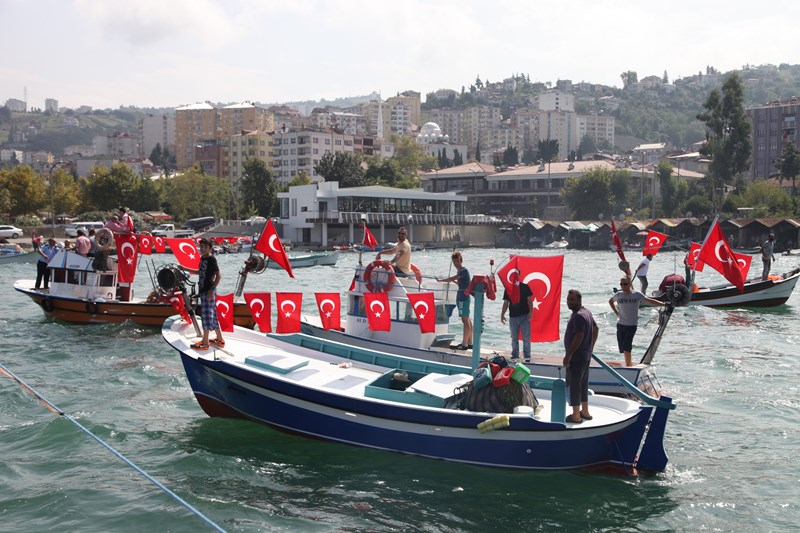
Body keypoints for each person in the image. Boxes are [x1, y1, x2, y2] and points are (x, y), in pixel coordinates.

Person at [608, 276, 667, 366]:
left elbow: (649, 301)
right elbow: (610, 301)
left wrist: (664, 304)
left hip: (631, 325)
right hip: (620, 325)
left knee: (627, 347)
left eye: (625, 284)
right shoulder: (618, 295)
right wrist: (616, 312)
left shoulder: (636, 295)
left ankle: (628, 366)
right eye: (621, 284)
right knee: (623, 348)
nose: (623, 286)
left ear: (630, 284)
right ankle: (628, 363)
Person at [563, 289, 599, 424]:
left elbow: (579, 335)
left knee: (575, 385)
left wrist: (569, 354)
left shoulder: (578, 316)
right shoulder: (587, 312)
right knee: (583, 384)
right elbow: (596, 329)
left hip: (577, 357)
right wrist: (590, 347)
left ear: (579, 300)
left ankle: (576, 415)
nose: (569, 302)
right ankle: (585, 411)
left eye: (572, 300)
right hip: (585, 355)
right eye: (568, 299)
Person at [190, 238, 224, 350]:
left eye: (205, 247)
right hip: (203, 290)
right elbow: (200, 272)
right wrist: (185, 268)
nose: (202, 248)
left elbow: (218, 276)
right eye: (201, 246)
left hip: (208, 290)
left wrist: (211, 290)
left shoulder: (211, 259)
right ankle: (219, 339)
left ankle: (205, 342)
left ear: (210, 248)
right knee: (213, 315)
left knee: (206, 316)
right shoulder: (203, 258)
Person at [436, 251, 473, 350]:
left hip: (463, 298)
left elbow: (454, 277)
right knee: (467, 319)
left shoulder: (463, 270)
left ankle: (465, 344)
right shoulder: (461, 271)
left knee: (465, 320)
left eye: (457, 261)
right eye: (454, 262)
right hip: (463, 297)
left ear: (461, 260)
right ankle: (470, 342)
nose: (456, 263)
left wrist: (441, 280)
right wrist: (454, 281)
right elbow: (461, 283)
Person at [500, 278, 534, 361]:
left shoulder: (525, 287)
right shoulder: (508, 288)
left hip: (524, 316)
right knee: (514, 337)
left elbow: (530, 301)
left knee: (526, 338)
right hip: (513, 316)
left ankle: (527, 356)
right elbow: (506, 303)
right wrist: (502, 314)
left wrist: (531, 312)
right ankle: (515, 355)